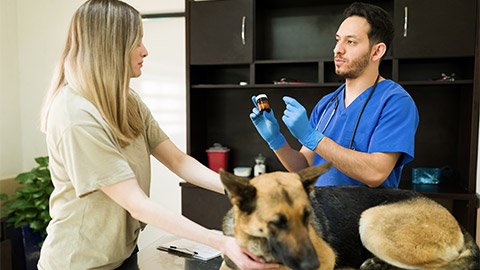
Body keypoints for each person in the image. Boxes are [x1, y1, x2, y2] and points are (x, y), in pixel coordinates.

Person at [38, 1, 278, 269]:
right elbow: (137, 204)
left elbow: (178, 161)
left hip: (123, 254)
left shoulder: (127, 101)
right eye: (137, 41)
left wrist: (240, 189)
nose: (145, 51)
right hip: (80, 262)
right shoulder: (76, 115)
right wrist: (221, 242)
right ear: (111, 46)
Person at [250, 2, 419, 188]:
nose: (337, 49)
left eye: (350, 41)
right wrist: (276, 140)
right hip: (322, 214)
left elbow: (375, 173)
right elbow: (304, 168)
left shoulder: (395, 102)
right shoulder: (327, 104)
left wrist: (312, 137)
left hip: (367, 215)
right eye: (338, 40)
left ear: (377, 51)